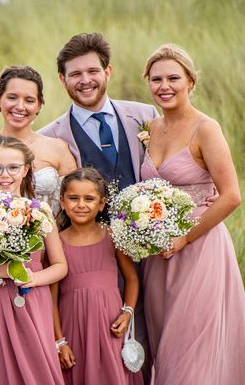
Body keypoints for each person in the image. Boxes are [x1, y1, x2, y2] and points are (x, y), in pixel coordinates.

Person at [39, 33, 157, 382]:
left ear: (109, 71)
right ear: (62, 79)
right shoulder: (51, 136)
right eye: (75, 74)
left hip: (153, 251)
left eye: (93, 70)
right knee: (104, 345)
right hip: (87, 256)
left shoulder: (145, 117)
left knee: (155, 339)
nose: (85, 80)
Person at [140, 44, 245, 384]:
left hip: (198, 250)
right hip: (158, 257)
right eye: (156, 79)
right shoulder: (152, 127)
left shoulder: (206, 128)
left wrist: (184, 236)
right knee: (163, 345)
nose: (164, 86)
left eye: (173, 78)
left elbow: (231, 196)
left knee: (190, 352)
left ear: (190, 81)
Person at [0, 135, 67, 385]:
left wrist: (32, 277)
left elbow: (60, 266)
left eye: (13, 167)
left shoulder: (41, 211)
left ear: (26, 169)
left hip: (32, 298)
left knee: (35, 366)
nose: (4, 175)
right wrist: (3, 271)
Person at [51, 167, 142, 385]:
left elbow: (132, 278)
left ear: (101, 203)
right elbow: (51, 298)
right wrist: (60, 342)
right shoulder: (56, 243)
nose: (81, 205)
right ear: (62, 201)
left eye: (89, 199)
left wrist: (127, 313)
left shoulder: (112, 236)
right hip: (73, 325)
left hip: (110, 324)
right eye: (73, 198)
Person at [0, 65, 76, 214]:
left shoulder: (58, 149)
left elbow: (74, 203)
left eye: (29, 100)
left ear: (39, 106)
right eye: (12, 97)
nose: (20, 106)